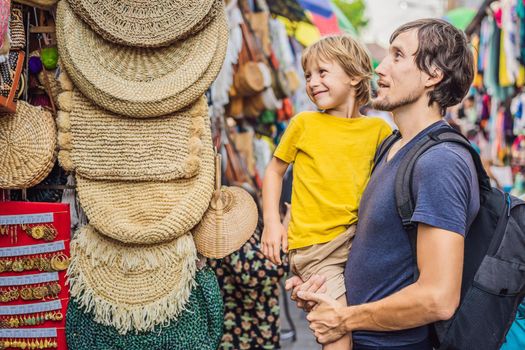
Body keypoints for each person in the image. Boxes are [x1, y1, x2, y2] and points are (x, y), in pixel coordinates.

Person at [289, 19, 480, 350]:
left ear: (432, 76)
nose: (380, 68)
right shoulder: (391, 146)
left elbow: (438, 298)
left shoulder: (441, 162)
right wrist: (320, 288)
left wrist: (346, 318)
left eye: (397, 55)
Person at [261, 35, 392, 350]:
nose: (312, 82)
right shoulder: (304, 124)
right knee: (337, 332)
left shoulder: (379, 131)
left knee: (367, 323)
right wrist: (272, 223)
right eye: (308, 75)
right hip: (317, 249)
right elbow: (274, 171)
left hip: (359, 243)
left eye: (322, 72)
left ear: (354, 76)